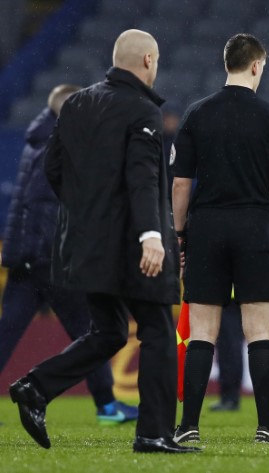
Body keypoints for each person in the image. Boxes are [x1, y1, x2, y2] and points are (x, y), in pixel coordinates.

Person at [9, 29, 196, 454]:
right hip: (132, 244)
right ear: (149, 61)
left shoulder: (75, 104)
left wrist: (86, 215)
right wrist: (151, 235)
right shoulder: (143, 110)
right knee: (158, 330)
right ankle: (152, 433)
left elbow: (54, 169)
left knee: (109, 330)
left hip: (82, 246)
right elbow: (143, 177)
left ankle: (36, 386)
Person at [171, 33, 269, 445]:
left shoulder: (196, 114)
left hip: (206, 226)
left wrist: (182, 235)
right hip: (255, 225)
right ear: (257, 65)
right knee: (259, 329)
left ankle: (188, 425)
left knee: (202, 330)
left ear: (228, 64)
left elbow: (180, 186)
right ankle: (266, 426)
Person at [0, 84, 138, 425]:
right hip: (49, 260)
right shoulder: (58, 144)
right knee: (92, 331)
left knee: (8, 333)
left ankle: (106, 404)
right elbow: (42, 205)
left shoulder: (38, 139)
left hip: (26, 258)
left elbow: (31, 206)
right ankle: (106, 406)